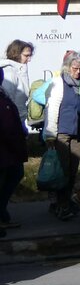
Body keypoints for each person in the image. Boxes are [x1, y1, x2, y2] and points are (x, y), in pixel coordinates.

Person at [43, 53, 80, 220]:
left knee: (72, 171)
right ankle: (60, 205)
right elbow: (52, 109)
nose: (77, 72)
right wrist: (50, 135)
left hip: (76, 134)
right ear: (68, 68)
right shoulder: (59, 83)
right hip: (61, 134)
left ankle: (65, 202)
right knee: (61, 171)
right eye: (75, 69)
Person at [0, 89, 27, 236]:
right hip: (7, 149)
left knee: (15, 175)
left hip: (9, 150)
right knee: (11, 177)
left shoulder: (4, 96)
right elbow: (7, 128)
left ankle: (3, 215)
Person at [1, 40, 33, 119]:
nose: (29, 60)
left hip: (18, 119)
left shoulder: (20, 70)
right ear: (15, 54)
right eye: (26, 56)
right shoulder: (9, 72)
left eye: (30, 56)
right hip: (11, 120)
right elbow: (7, 102)